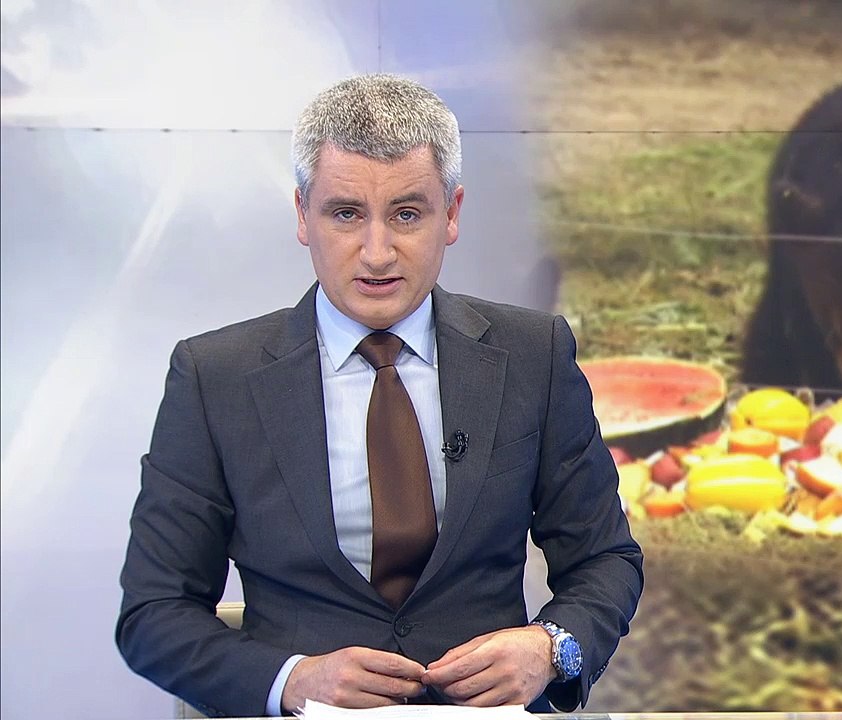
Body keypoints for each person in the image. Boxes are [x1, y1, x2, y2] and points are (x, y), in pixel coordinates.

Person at [115, 73, 644, 718]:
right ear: (302, 215)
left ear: (451, 214)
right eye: (346, 214)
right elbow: (154, 613)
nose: (377, 253)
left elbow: (604, 558)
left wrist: (552, 648)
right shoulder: (214, 378)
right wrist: (292, 681)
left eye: (406, 214)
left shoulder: (533, 355)